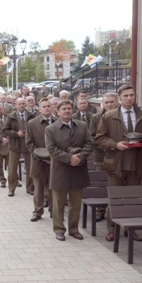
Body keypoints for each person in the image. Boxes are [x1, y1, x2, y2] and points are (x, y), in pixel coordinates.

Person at [95, 84, 142, 242]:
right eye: (126, 96)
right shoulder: (108, 116)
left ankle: (131, 229)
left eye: (132, 95)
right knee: (115, 197)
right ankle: (112, 229)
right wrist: (115, 145)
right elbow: (100, 138)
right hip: (116, 163)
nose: (129, 98)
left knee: (133, 197)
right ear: (119, 99)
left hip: (137, 162)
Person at [45, 99, 94, 241]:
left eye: (69, 108)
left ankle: (74, 229)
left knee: (76, 204)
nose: (67, 111)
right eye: (64, 109)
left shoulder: (82, 126)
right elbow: (51, 149)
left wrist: (80, 157)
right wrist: (69, 158)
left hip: (78, 170)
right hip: (60, 170)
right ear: (58, 112)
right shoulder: (51, 129)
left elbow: (89, 144)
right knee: (58, 204)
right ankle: (59, 229)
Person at [89, 92, 119, 222]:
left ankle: (116, 210)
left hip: (119, 157)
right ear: (102, 104)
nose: (109, 104)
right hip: (101, 156)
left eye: (112, 102)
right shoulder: (96, 118)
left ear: (117, 102)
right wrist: (109, 146)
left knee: (116, 185)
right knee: (101, 183)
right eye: (106, 102)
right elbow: (92, 137)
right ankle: (100, 210)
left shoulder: (121, 116)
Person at [25, 97, 55, 222]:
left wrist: (53, 157)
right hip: (38, 161)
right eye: (44, 106)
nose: (47, 108)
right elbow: (29, 143)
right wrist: (41, 156)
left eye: (49, 106)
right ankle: (37, 211)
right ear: (39, 108)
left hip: (54, 162)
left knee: (53, 188)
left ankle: (54, 211)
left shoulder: (57, 122)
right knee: (38, 188)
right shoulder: (32, 123)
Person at [3, 98, 33, 196]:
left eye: (23, 103)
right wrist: (16, 133)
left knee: (30, 167)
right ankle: (11, 189)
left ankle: (30, 188)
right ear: (15, 105)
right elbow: (5, 130)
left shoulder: (31, 115)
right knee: (12, 168)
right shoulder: (11, 116)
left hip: (28, 145)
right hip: (15, 145)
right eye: (19, 104)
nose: (21, 105)